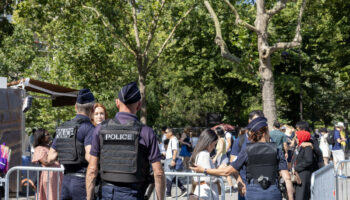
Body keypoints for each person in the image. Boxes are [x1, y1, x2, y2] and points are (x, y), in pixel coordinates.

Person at [86, 82, 165, 200]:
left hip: (107, 194)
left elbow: (92, 170)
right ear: (138, 106)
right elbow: (158, 172)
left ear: (117, 103)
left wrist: (89, 198)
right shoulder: (146, 132)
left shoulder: (100, 129)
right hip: (133, 193)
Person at [191, 117, 294, 200]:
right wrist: (290, 198)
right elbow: (287, 177)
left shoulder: (247, 150)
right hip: (273, 192)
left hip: (254, 193)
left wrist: (203, 170)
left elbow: (228, 171)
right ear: (264, 133)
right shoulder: (277, 149)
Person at [48, 88, 95, 200]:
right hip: (82, 182)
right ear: (93, 109)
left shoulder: (63, 127)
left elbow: (50, 157)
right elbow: (90, 157)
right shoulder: (89, 128)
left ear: (75, 107)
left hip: (66, 182)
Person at [229, 110, 264, 200]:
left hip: (264, 187)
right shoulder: (240, 140)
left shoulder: (267, 139)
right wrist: (239, 181)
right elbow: (233, 163)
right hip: (245, 186)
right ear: (249, 121)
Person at [32, 128, 63, 200]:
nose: (49, 136)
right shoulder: (39, 148)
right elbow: (45, 162)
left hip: (55, 177)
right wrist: (55, 158)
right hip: (48, 177)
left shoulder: (50, 147)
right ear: (41, 137)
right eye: (47, 135)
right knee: (49, 195)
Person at [189, 129, 219, 200]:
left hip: (201, 189)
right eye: (214, 144)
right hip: (207, 191)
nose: (214, 147)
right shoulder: (204, 154)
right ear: (209, 142)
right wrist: (218, 174)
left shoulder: (198, 153)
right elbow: (209, 178)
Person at [164, 128, 187, 198]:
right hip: (169, 159)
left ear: (170, 133)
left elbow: (175, 150)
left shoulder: (173, 139)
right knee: (172, 176)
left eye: (166, 132)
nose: (165, 134)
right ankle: (183, 189)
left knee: (169, 176)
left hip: (171, 159)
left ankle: (168, 193)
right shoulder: (172, 140)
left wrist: (173, 160)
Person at [293, 130, 315, 200]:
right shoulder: (299, 146)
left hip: (303, 175)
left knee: (301, 196)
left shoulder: (307, 147)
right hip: (298, 173)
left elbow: (308, 161)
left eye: (297, 137)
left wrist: (296, 168)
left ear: (301, 137)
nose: (295, 138)